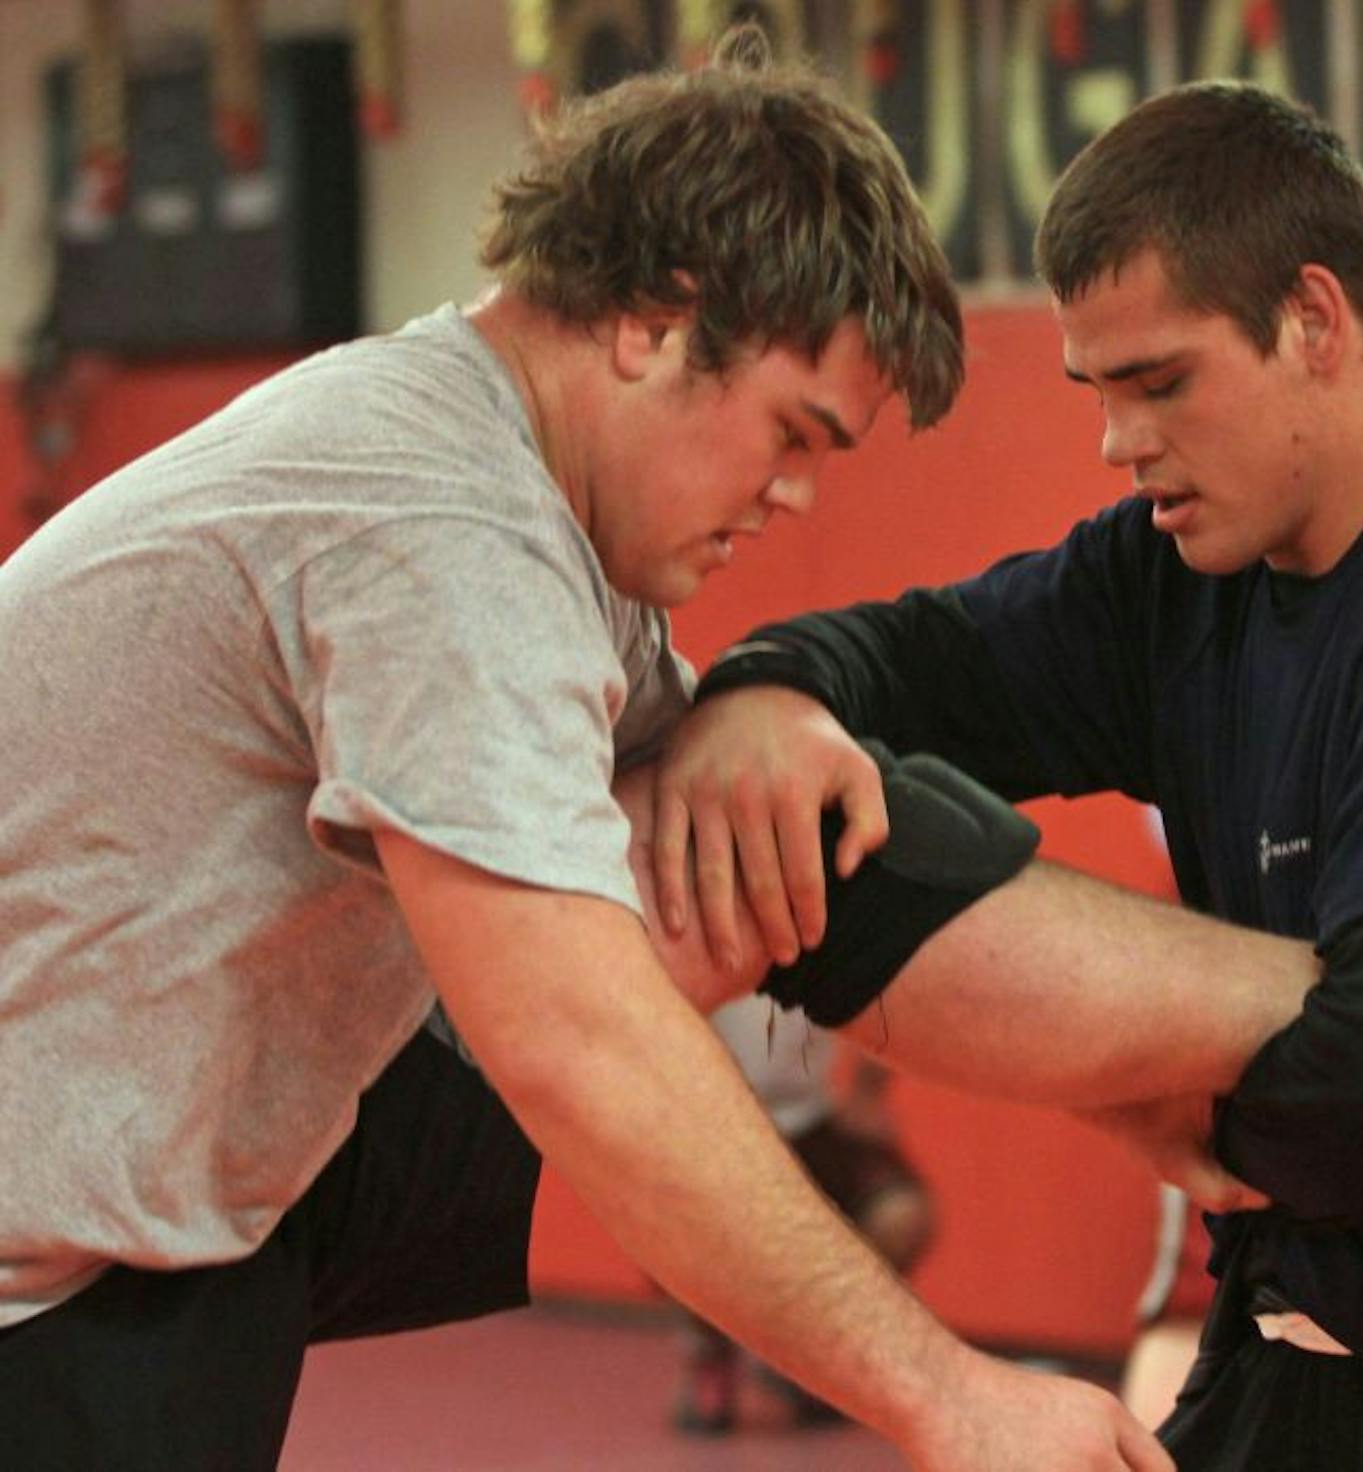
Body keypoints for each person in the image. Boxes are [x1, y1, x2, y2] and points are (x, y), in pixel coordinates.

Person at [0, 35, 1174, 1471]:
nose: (793, 496)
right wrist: (951, 1398)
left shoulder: (527, 492)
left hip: (186, 1179)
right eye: (791, 434)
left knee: (766, 822)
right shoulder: (442, 522)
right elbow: (575, 1042)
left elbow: (728, 820)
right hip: (47, 1277)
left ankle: (1289, 1064)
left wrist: (775, 704)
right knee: (602, 992)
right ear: (652, 320)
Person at [644, 80, 1363, 1469]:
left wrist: (1160, 1093)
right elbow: (921, 660)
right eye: (1101, 394)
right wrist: (764, 694)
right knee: (841, 804)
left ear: (1315, 320)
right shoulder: (1174, 575)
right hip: (1284, 1353)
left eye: (1162, 383)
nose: (1122, 444)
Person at [675, 1001, 934, 1435]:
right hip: (718, 1119)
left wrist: (868, 1091)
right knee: (696, 1223)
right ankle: (710, 1351)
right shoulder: (684, 936)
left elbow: (892, 990)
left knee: (901, 1214)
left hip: (813, 1119)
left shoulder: (828, 932)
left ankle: (814, 1366)